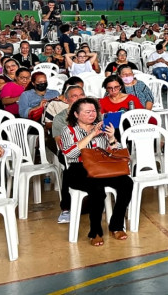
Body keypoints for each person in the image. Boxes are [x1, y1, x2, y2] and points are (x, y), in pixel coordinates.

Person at [60, 97, 133, 246]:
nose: (92, 114)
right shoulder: (68, 130)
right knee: (97, 190)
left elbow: (115, 152)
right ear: (76, 114)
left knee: (127, 183)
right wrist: (92, 134)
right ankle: (96, 231)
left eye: (94, 111)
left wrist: (111, 137)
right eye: (87, 112)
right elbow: (70, 153)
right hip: (78, 169)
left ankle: (116, 225)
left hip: (102, 166)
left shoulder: (102, 127)